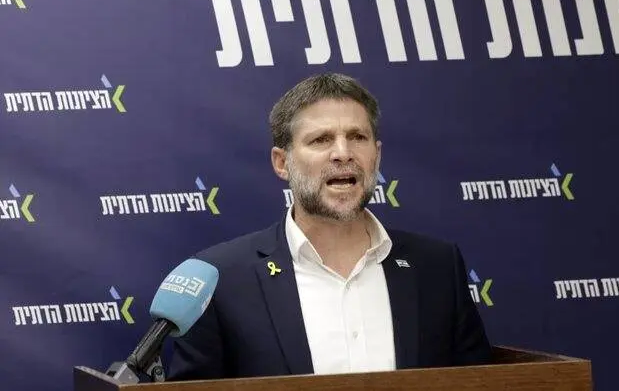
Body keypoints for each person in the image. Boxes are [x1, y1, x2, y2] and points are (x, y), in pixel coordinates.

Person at [167, 73, 492, 380]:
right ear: (282, 163)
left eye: (357, 137)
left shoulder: (437, 266)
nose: (343, 153)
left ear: (377, 156)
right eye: (321, 140)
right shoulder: (220, 280)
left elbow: (480, 382)